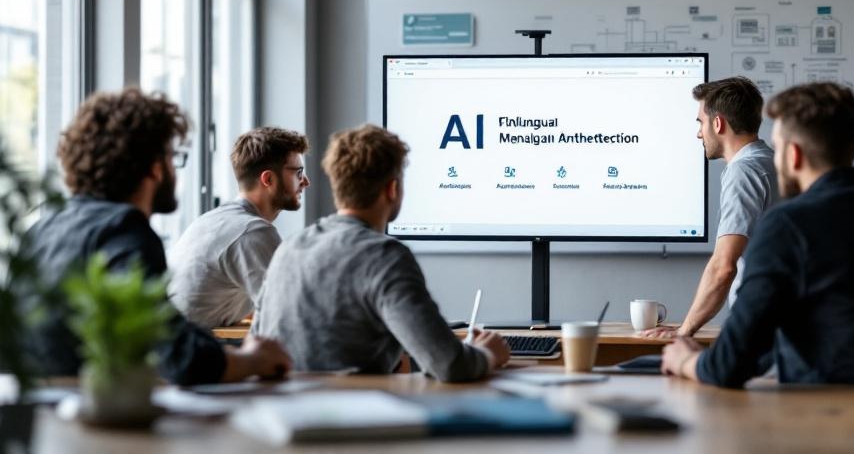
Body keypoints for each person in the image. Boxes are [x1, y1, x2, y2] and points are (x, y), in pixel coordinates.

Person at [661, 83, 854, 387]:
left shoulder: (787, 225)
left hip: (830, 417)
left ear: (793, 155)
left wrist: (685, 359)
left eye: (777, 146)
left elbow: (729, 364)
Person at [24, 88, 292, 385]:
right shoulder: (124, 231)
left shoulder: (43, 227)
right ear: (154, 167)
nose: (174, 169)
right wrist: (253, 360)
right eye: (172, 156)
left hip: (40, 415)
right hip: (92, 416)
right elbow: (179, 359)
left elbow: (165, 330)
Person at [252, 124, 510, 382]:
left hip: (283, 411)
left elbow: (257, 345)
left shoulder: (290, 247)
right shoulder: (385, 256)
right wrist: (486, 352)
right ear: (393, 189)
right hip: (351, 415)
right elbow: (449, 364)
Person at [644, 76, 778, 338]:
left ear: (718, 124)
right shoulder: (771, 162)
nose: (698, 133)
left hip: (759, 327)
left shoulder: (744, 171)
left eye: (700, 123)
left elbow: (723, 265)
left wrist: (685, 330)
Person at [168, 127, 309, 328]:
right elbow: (291, 311)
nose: (305, 181)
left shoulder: (214, 220)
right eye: (299, 172)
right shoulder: (252, 231)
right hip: (192, 350)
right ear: (268, 179)